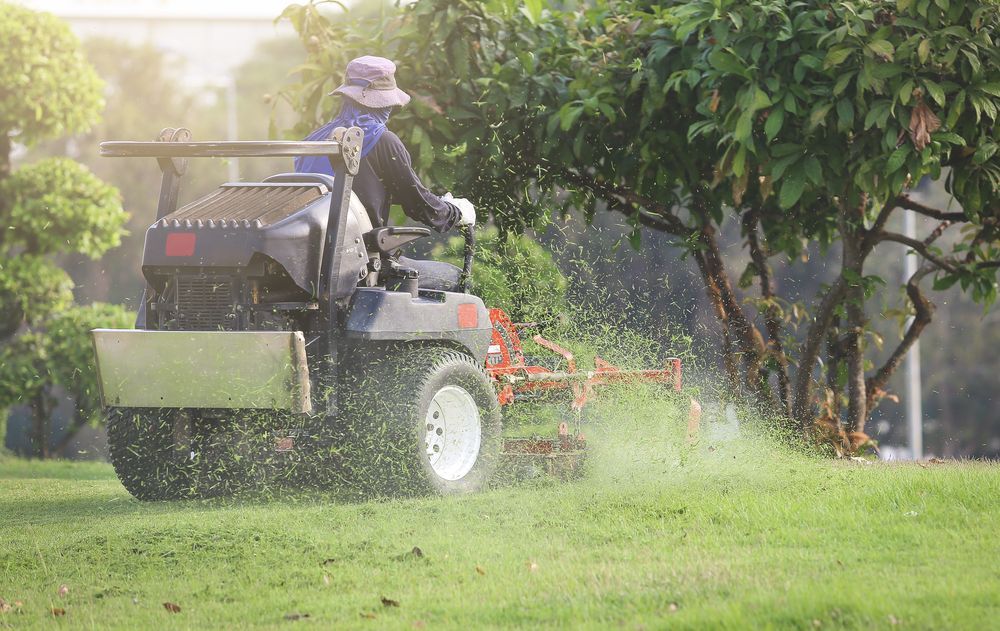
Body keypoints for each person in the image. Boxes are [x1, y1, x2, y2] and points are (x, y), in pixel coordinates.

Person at [295, 55, 474, 291]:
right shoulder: (382, 141)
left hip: (310, 267)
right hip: (363, 266)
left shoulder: (314, 140)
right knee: (453, 278)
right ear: (384, 102)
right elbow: (418, 204)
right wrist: (455, 212)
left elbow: (358, 187)